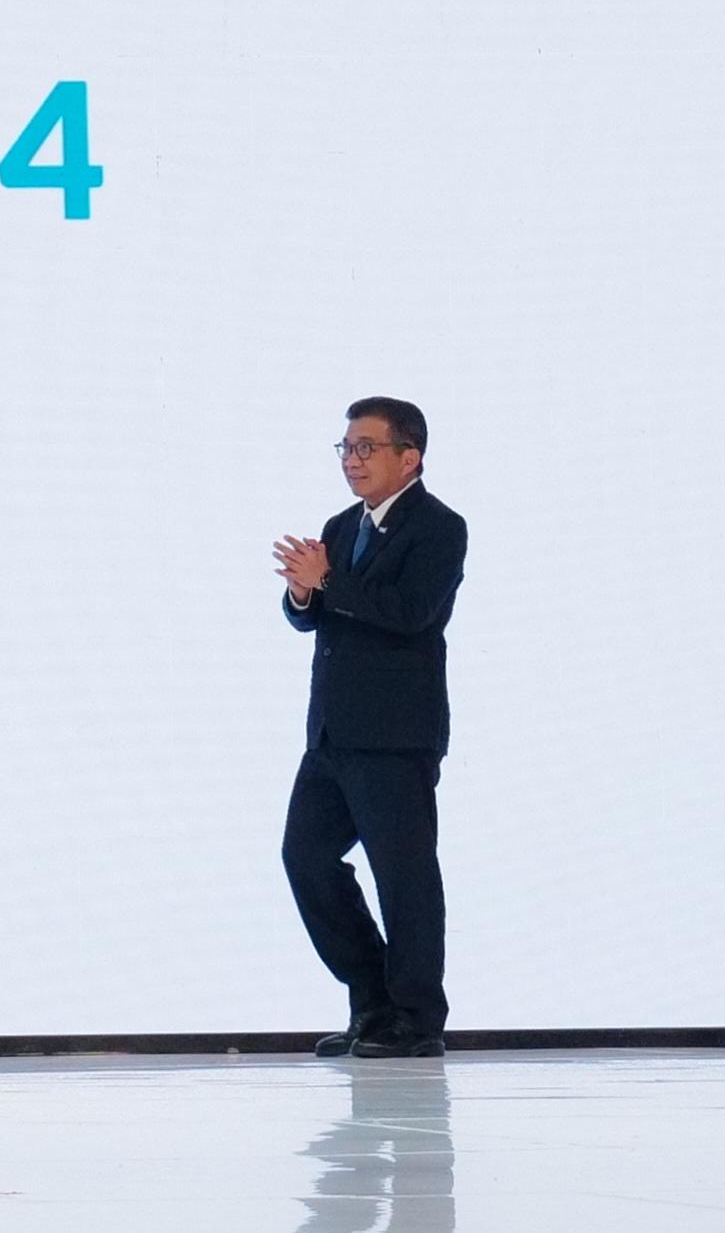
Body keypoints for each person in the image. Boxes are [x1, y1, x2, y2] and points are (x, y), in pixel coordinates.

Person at [270, 395, 467, 1060]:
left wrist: (328, 582)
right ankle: (374, 1001)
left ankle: (417, 1017)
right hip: (331, 732)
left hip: (395, 734)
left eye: (366, 447)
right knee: (305, 857)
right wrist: (303, 594)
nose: (352, 460)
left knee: (403, 876)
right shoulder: (340, 524)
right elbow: (315, 617)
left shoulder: (439, 527)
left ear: (409, 457)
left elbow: (411, 613)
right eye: (347, 448)